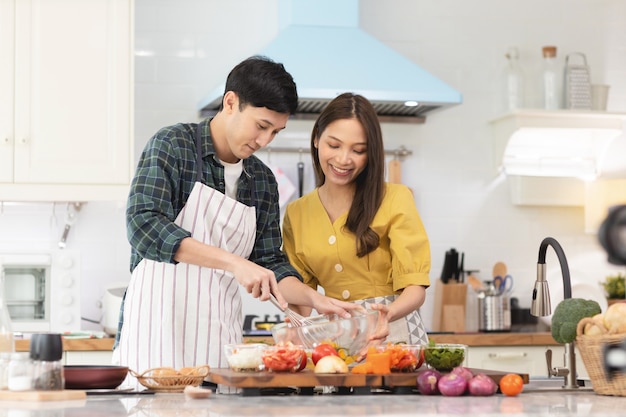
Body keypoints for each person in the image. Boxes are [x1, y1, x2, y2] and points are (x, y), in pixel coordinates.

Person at [113, 56, 357, 391]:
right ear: (231, 103)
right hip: (156, 333)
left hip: (218, 341)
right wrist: (234, 262)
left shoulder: (261, 180)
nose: (265, 141)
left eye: (275, 131)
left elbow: (270, 263)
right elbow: (143, 225)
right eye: (261, 125)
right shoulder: (174, 146)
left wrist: (314, 299)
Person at [282, 92, 431, 346]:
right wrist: (294, 329)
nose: (343, 159)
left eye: (358, 150)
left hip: (395, 336)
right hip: (337, 338)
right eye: (334, 145)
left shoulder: (395, 197)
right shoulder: (297, 213)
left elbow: (415, 287)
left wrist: (388, 315)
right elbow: (301, 294)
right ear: (317, 138)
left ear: (370, 152)